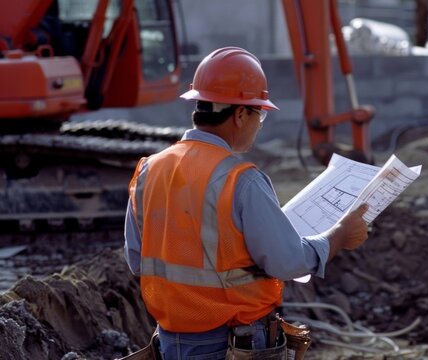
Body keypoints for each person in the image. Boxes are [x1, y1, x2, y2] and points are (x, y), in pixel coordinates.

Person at [123, 46, 370, 359]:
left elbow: (136, 259)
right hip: (231, 344)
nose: (260, 122)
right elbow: (287, 262)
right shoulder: (241, 180)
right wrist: (338, 237)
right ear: (240, 114)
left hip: (171, 342)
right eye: (260, 113)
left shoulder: (149, 170)